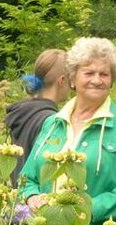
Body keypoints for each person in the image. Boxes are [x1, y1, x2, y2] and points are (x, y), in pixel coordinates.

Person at [19, 37, 116, 225]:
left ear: (112, 79)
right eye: (89, 72)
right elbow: (26, 178)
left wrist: (86, 209)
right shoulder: (52, 123)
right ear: (72, 78)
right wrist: (32, 198)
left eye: (104, 74)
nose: (97, 80)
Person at [5, 49, 69, 184]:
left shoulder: (22, 113)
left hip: (19, 200)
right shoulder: (50, 120)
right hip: (36, 200)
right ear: (62, 80)